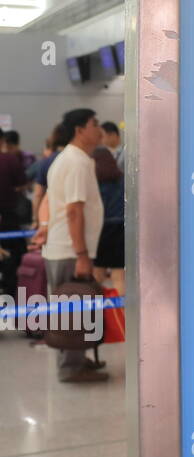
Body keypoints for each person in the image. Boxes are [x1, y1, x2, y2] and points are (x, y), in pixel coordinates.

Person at [38, 109, 107, 383]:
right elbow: (74, 212)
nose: (99, 129)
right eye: (94, 124)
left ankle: (75, 360)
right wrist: (81, 254)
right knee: (72, 309)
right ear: (80, 130)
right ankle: (70, 367)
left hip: (63, 247)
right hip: (69, 249)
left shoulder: (69, 158)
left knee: (71, 308)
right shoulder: (77, 162)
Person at [0, 133, 30, 305]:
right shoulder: (10, 160)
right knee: (13, 260)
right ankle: (11, 299)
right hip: (9, 219)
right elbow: (22, 184)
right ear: (3, 141)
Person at [92, 138, 125, 294]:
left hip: (101, 230)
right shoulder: (122, 179)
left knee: (98, 273)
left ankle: (96, 314)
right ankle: (120, 315)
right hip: (121, 229)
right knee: (119, 276)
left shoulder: (94, 182)